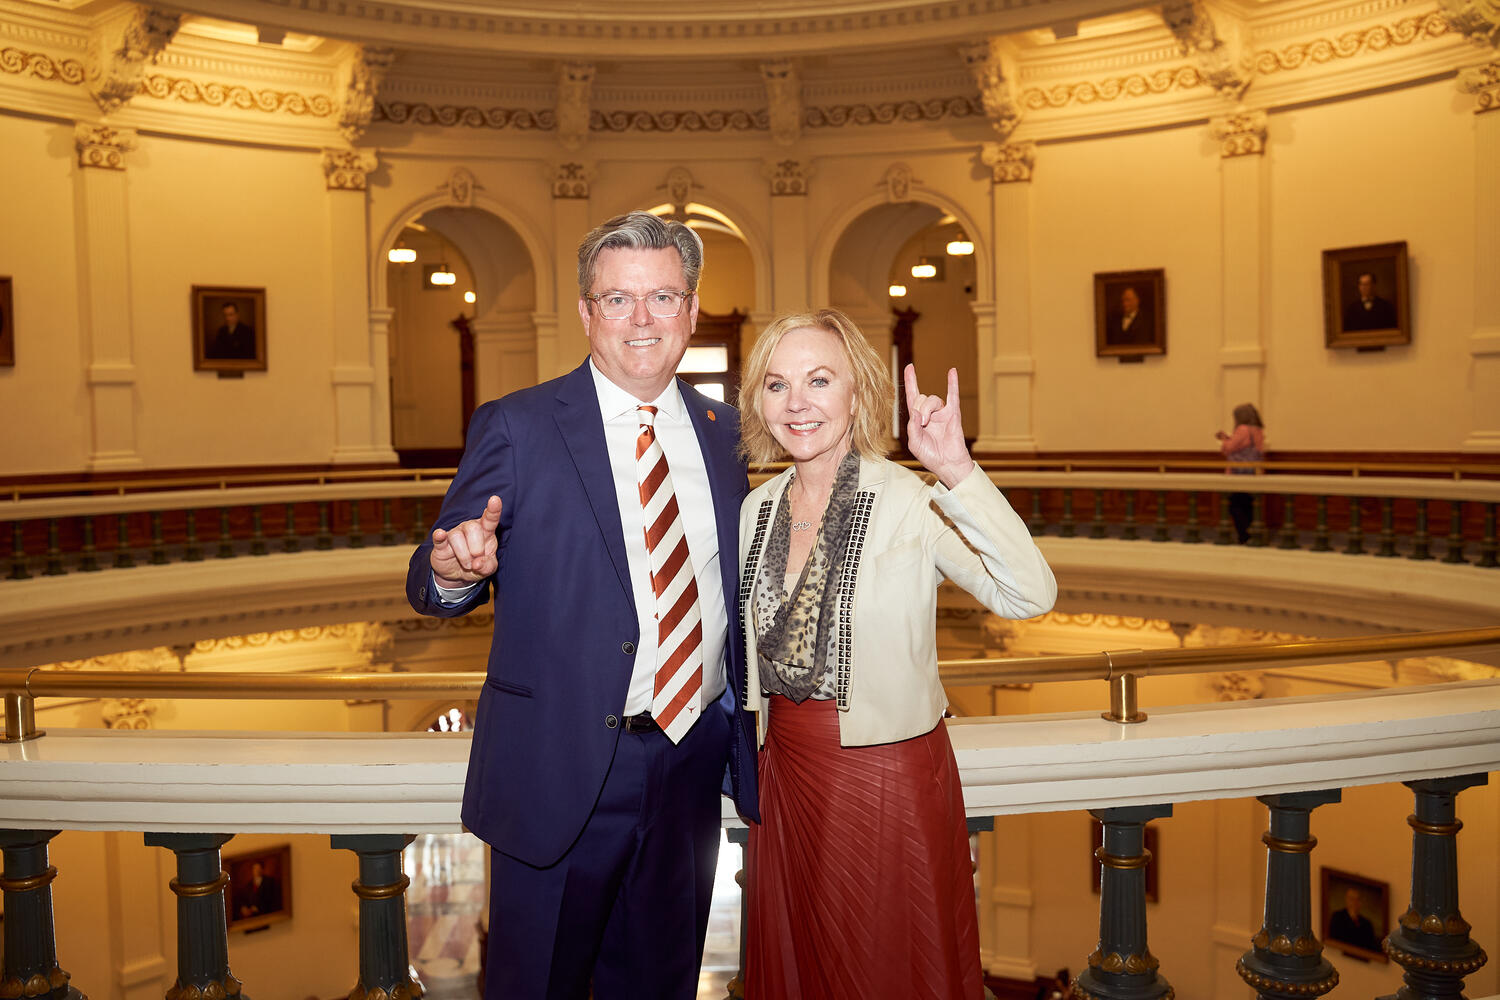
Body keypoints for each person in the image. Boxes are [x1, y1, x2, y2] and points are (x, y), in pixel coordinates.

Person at [405, 211, 759, 1000]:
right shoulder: (519, 426)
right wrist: (453, 567)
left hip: (688, 763)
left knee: (659, 986)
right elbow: (433, 583)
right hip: (556, 774)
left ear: (692, 312)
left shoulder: (728, 434)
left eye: (663, 297)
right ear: (586, 313)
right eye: (618, 298)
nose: (642, 320)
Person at [736, 309, 1057, 999]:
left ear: (859, 394)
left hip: (886, 776)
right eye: (777, 384)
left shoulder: (910, 500)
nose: (797, 403)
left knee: (878, 970)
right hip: (783, 775)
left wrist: (958, 471)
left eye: (819, 380)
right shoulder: (755, 510)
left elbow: (1028, 594)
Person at [1215, 402, 1265, 544]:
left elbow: (1229, 448)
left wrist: (1224, 440)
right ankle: (1251, 534)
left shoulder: (1242, 429)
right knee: (1248, 505)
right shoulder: (1258, 430)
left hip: (1239, 472)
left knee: (1236, 505)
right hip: (1254, 471)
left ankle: (1244, 536)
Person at [1329, 886, 1381, 952]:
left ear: (1361, 903)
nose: (1354, 903)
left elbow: (1369, 947)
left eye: (1357, 899)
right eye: (1351, 899)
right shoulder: (1337, 917)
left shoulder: (1367, 924)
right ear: (1346, 900)